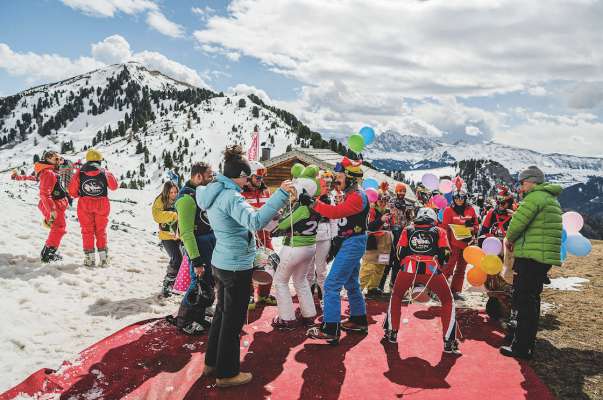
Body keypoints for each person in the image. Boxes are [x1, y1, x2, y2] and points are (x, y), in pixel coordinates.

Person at [196, 145, 293, 388]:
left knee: (221, 314)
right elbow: (255, 220)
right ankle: (227, 373)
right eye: (246, 176)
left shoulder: (214, 191)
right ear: (238, 175)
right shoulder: (232, 196)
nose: (248, 181)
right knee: (233, 321)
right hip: (236, 265)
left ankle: (212, 363)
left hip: (221, 262)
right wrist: (280, 195)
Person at [500, 166, 562, 360]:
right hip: (542, 258)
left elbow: (516, 224)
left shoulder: (534, 198)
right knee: (533, 300)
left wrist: (509, 240)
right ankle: (527, 343)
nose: (520, 187)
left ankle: (521, 347)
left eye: (522, 182)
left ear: (532, 181)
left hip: (530, 258)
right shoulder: (550, 199)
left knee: (524, 301)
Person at [306, 157, 370, 344]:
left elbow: (334, 213)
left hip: (353, 243)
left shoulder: (358, 197)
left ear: (350, 179)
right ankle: (358, 319)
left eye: (340, 177)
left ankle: (330, 328)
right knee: (351, 283)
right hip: (349, 242)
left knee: (332, 284)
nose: (336, 181)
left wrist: (313, 203)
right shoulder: (351, 194)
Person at [382, 208, 460, 354]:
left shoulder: (408, 229)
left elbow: (399, 252)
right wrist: (439, 264)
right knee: (447, 300)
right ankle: (449, 341)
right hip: (431, 270)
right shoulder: (439, 231)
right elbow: (446, 254)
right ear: (434, 218)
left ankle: (391, 332)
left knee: (397, 296)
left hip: (408, 269)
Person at [271, 178, 321, 330]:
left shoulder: (302, 208)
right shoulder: (317, 205)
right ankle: (309, 315)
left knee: (280, 281)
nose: (292, 192)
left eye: (294, 190)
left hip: (294, 247)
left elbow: (283, 224)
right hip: (310, 246)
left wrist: (278, 216)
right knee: (301, 280)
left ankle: (287, 319)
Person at [173, 162, 216, 335]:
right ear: (198, 177)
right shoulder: (186, 199)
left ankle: (200, 314)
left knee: (207, 283)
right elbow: (187, 233)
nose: (211, 178)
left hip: (209, 244)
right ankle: (184, 321)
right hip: (198, 247)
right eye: (209, 175)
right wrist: (196, 260)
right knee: (196, 285)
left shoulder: (201, 194)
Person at [68, 149, 118, 267]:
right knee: (100, 231)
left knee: (87, 230)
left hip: (85, 204)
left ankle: (89, 259)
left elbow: (72, 192)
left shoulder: (80, 172)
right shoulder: (104, 171)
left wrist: (79, 193)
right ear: (99, 160)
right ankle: (104, 259)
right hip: (102, 203)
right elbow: (114, 186)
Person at [241, 160, 277, 309]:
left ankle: (263, 295)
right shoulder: (240, 193)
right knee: (248, 267)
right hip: (248, 236)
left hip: (265, 234)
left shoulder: (265, 191)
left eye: (262, 178)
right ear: (249, 177)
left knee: (269, 262)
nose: (261, 181)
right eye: (258, 178)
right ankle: (248, 296)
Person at [441, 189, 478, 300]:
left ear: (465, 198)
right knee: (448, 267)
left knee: (461, 268)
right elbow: (444, 228)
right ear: (453, 199)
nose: (459, 200)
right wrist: (445, 244)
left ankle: (455, 291)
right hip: (453, 244)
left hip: (466, 243)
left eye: (461, 198)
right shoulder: (448, 210)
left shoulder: (470, 209)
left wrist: (472, 227)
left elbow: (476, 226)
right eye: (456, 198)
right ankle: (439, 290)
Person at [379, 182, 414, 293]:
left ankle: (393, 284)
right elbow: (386, 213)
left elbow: (411, 218)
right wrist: (386, 226)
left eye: (403, 191)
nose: (402, 193)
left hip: (403, 232)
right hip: (392, 231)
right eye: (400, 191)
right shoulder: (391, 201)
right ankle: (380, 285)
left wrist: (409, 215)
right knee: (387, 260)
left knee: (398, 260)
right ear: (396, 191)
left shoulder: (408, 203)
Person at [35, 151, 69, 263]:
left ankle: (48, 252)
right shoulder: (49, 173)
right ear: (48, 159)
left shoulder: (51, 170)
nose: (58, 161)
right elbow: (44, 193)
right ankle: (47, 255)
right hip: (54, 205)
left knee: (58, 227)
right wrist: (52, 210)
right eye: (56, 159)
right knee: (58, 228)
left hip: (55, 204)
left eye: (59, 159)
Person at [307, 187, 338, 302]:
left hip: (324, 238)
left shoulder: (329, 199)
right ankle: (307, 301)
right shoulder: (306, 197)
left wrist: (334, 238)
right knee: (308, 271)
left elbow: (334, 219)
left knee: (321, 270)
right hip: (307, 238)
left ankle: (325, 299)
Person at [152, 181, 182, 297]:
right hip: (166, 236)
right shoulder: (160, 200)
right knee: (176, 259)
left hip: (180, 235)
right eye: (171, 192)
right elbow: (157, 216)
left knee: (183, 260)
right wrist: (173, 215)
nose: (174, 194)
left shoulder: (180, 199)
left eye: (175, 192)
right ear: (166, 192)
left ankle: (176, 284)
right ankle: (167, 284)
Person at [360, 192, 392, 298]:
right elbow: (369, 226)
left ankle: (372, 288)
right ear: (376, 201)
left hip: (385, 242)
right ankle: (358, 288)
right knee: (368, 267)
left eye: (385, 201)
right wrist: (381, 220)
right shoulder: (372, 211)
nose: (383, 203)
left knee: (380, 267)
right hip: (373, 241)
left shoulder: (388, 211)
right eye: (381, 201)